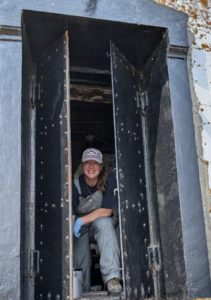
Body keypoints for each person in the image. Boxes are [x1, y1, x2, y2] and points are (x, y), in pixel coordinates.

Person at [72, 148, 122, 295]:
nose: (91, 166)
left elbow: (107, 211)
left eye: (95, 163)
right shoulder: (75, 185)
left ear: (101, 166)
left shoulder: (108, 180)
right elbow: (71, 215)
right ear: (82, 165)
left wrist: (81, 220)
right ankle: (82, 287)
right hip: (79, 229)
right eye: (87, 162)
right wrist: (72, 229)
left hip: (97, 226)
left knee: (105, 223)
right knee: (80, 257)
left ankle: (112, 278)